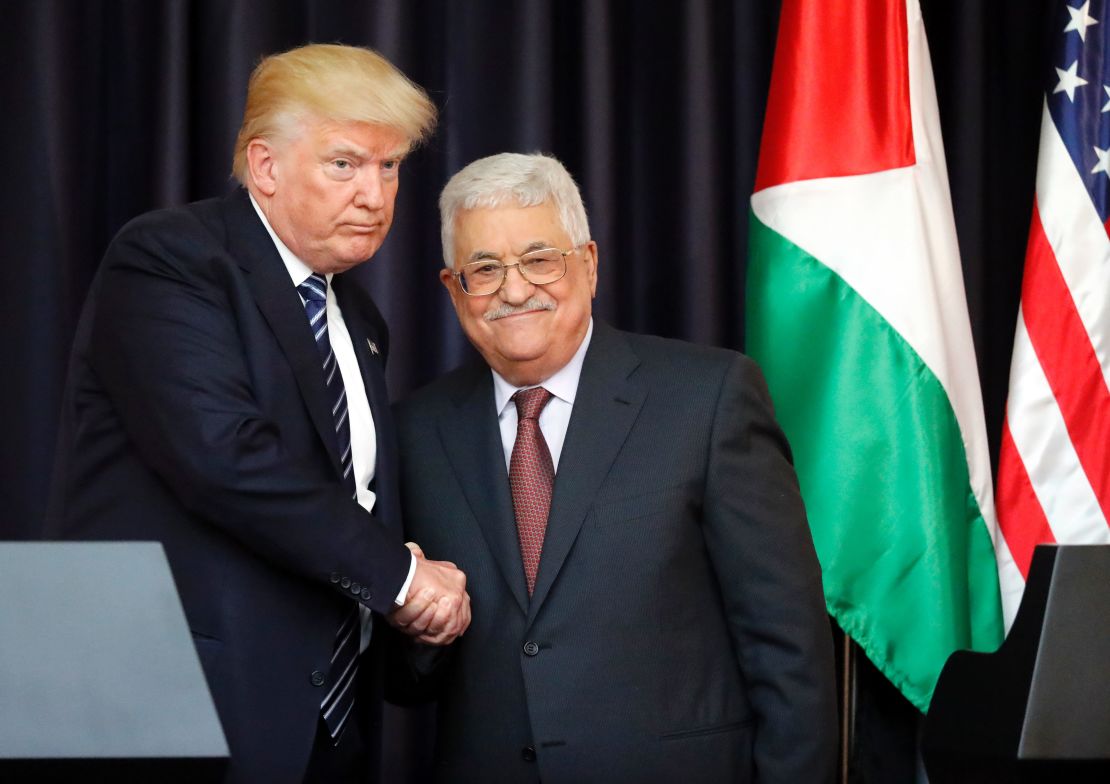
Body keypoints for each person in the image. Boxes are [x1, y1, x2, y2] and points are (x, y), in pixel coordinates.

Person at [44, 43, 469, 784]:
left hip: (319, 717)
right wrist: (401, 582)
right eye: (345, 164)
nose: (375, 194)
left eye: (390, 166)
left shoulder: (359, 317)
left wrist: (418, 610)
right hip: (156, 700)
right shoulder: (169, 257)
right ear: (266, 167)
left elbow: (357, 500)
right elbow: (226, 457)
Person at [393, 152, 838, 783]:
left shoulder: (708, 399)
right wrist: (420, 633)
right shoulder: (415, 432)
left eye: (540, 259)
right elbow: (399, 680)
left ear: (590, 265)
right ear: (452, 288)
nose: (514, 290)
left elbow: (789, 649)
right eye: (484, 269)